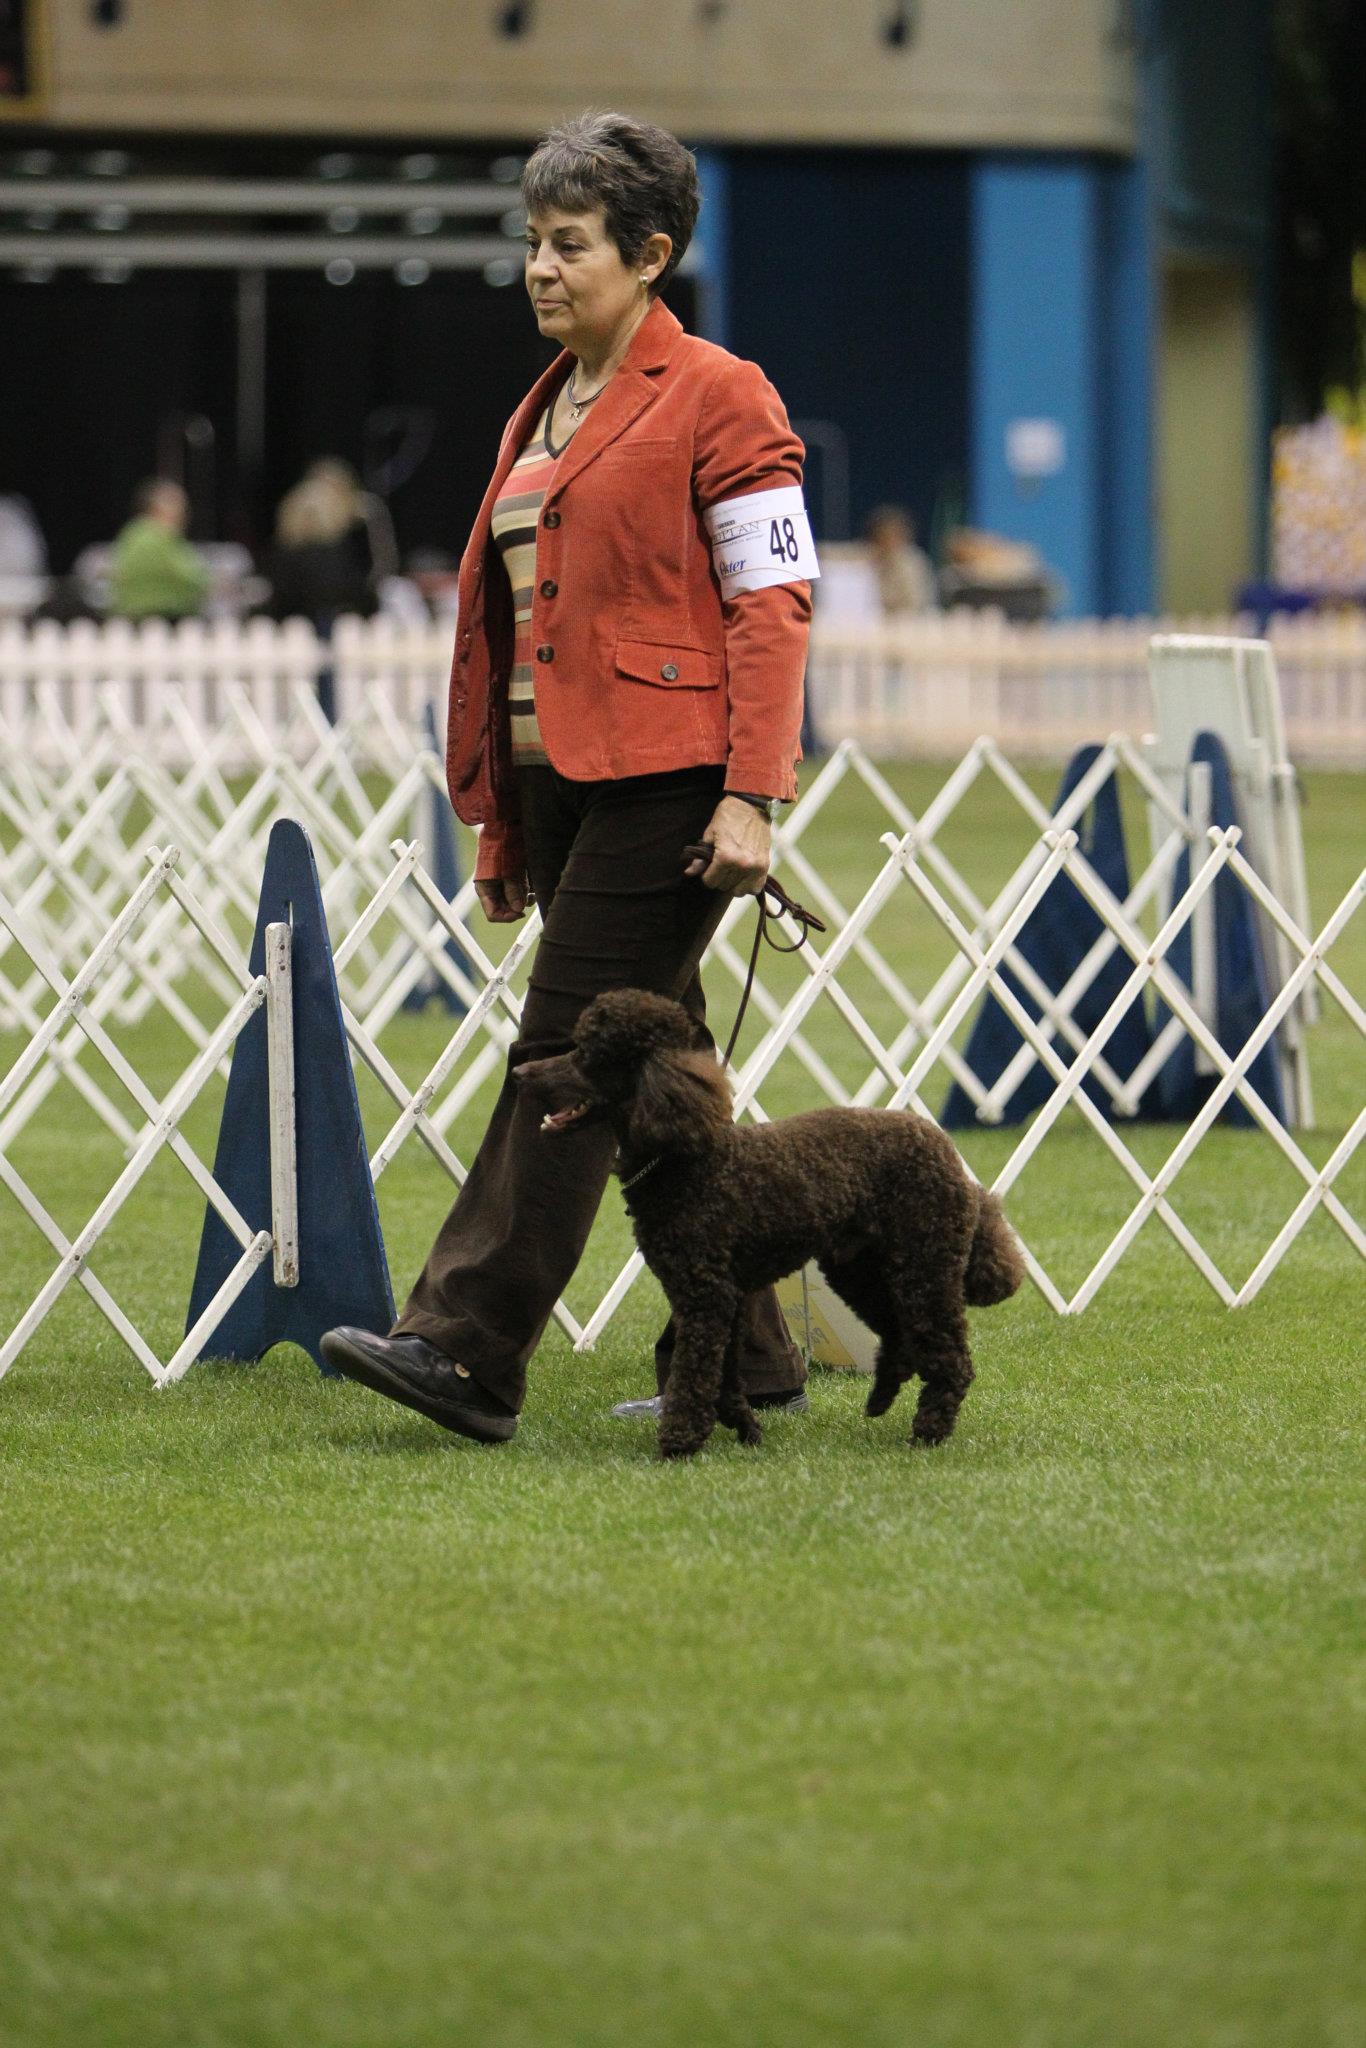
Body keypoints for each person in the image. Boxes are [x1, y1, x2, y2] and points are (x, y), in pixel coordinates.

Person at [321, 110, 819, 1444]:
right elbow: (510, 627)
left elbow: (773, 603)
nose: (541, 269)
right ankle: (751, 1359)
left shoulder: (723, 393)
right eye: (532, 245)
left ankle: (467, 1350)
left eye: (570, 245)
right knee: (664, 1067)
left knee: (566, 1052)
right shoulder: (538, 411)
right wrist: (500, 820)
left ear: (649, 255)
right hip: (564, 786)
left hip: (673, 780)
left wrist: (749, 794)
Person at [108, 480, 211, 622]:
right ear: (158, 507)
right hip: (166, 616)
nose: (185, 512)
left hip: (130, 616)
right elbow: (190, 578)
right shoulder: (164, 535)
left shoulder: (132, 532)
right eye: (178, 504)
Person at [864, 503, 937, 616]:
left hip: (910, 621)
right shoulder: (870, 559)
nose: (888, 541)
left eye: (892, 535)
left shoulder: (911, 561)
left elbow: (915, 601)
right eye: (883, 536)